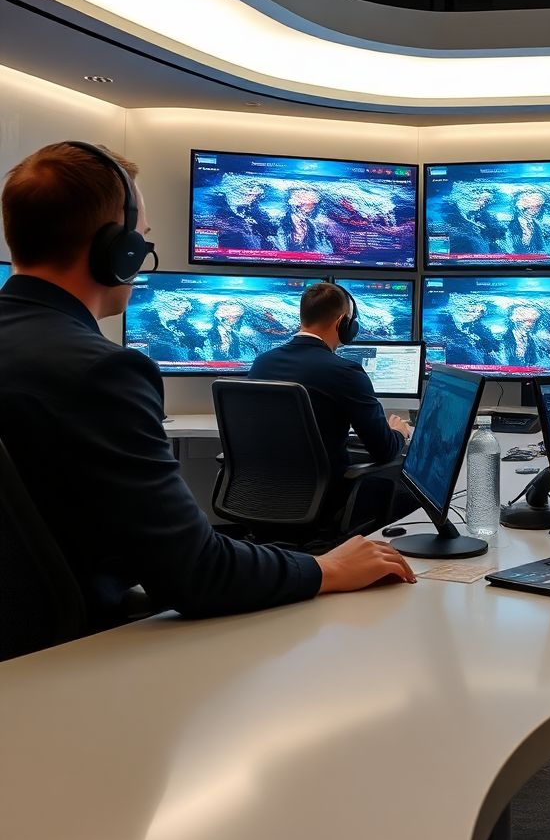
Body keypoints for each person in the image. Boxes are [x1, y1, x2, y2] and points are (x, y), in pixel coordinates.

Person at [0, 142, 415, 633]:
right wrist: (328, 568)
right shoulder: (103, 373)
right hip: (76, 650)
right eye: (142, 239)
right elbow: (197, 573)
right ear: (120, 251)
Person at [249, 282, 414, 532]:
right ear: (343, 323)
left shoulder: (261, 363)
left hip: (262, 495)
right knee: (406, 488)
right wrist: (399, 433)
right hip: (324, 500)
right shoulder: (345, 372)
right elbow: (384, 450)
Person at [131, 291, 205, 363]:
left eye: (184, 308)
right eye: (177, 303)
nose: (183, 310)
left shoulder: (184, 326)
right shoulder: (146, 319)